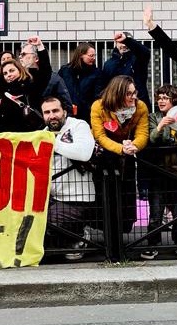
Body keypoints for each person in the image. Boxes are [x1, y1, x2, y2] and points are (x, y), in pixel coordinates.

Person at [141, 84, 177, 260]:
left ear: (175, 100)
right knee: (156, 212)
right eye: (159, 98)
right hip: (158, 172)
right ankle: (152, 244)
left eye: (165, 98)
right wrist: (160, 126)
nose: (161, 101)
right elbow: (150, 140)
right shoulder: (153, 117)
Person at [90, 75, 149, 234]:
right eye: (129, 93)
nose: (134, 97)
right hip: (104, 157)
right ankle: (108, 236)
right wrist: (120, 148)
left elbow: (143, 133)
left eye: (134, 92)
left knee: (126, 196)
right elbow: (99, 136)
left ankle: (121, 234)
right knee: (104, 195)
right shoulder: (99, 106)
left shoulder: (140, 107)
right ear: (117, 92)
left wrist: (134, 146)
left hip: (127, 156)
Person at [41, 96, 98, 262]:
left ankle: (78, 236)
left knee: (50, 223)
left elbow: (84, 153)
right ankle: (67, 241)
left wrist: (53, 143)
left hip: (78, 198)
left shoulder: (79, 126)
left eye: (55, 111)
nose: (52, 115)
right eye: (47, 112)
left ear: (64, 111)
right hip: (52, 197)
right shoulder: (43, 133)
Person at [102, 31, 151, 106]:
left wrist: (126, 40)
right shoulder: (108, 64)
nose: (124, 45)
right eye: (121, 42)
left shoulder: (138, 59)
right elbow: (106, 87)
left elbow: (145, 52)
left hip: (138, 103)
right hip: (117, 105)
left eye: (126, 43)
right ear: (115, 43)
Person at [58, 42, 103, 123]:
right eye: (91, 55)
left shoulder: (97, 73)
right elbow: (58, 90)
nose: (94, 58)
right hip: (67, 113)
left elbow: (98, 95)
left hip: (87, 115)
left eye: (94, 55)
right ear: (81, 55)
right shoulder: (65, 70)